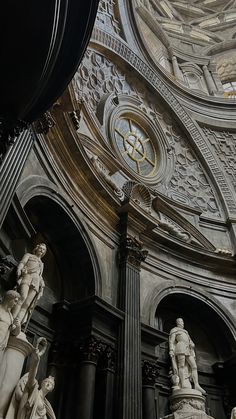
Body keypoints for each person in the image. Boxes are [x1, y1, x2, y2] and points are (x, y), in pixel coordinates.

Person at [6, 337, 56, 419]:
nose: (48, 384)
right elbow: (32, 375)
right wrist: (36, 361)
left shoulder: (46, 405)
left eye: (51, 384)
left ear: (51, 389)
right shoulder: (34, 390)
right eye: (47, 381)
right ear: (42, 383)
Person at [169, 318, 206, 394]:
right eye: (180, 321)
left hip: (187, 349)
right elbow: (171, 341)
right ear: (177, 323)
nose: (181, 323)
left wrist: (192, 344)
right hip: (180, 347)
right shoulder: (174, 330)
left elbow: (190, 341)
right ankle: (182, 383)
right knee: (181, 366)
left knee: (194, 366)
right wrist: (171, 350)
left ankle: (196, 384)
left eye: (182, 321)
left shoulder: (186, 332)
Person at [12, 244, 47, 324]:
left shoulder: (42, 264)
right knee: (22, 297)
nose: (42, 250)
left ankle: (17, 323)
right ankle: (12, 318)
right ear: (37, 248)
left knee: (27, 304)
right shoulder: (29, 255)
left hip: (36, 281)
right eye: (41, 248)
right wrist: (19, 269)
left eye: (43, 250)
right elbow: (22, 263)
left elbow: (39, 274)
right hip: (27, 276)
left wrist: (42, 281)